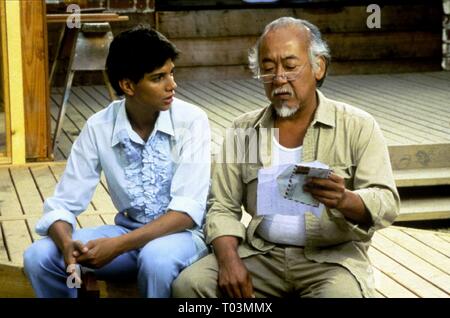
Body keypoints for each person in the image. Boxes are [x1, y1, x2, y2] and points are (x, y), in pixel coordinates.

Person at [172, 17, 400, 298]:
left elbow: (387, 202)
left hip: (330, 260)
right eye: (268, 69)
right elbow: (221, 206)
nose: (279, 78)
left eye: (291, 67)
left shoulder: (358, 125)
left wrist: (346, 200)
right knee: (189, 286)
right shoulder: (244, 130)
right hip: (260, 254)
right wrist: (230, 261)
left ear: (319, 66)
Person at [23, 25, 211, 298]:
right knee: (38, 256)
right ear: (128, 85)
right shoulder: (99, 126)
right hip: (126, 234)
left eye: (171, 72)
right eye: (158, 77)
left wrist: (117, 245)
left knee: (156, 259)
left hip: (183, 238)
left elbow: (186, 213)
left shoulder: (192, 121)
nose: (172, 85)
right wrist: (67, 246)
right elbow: (63, 204)